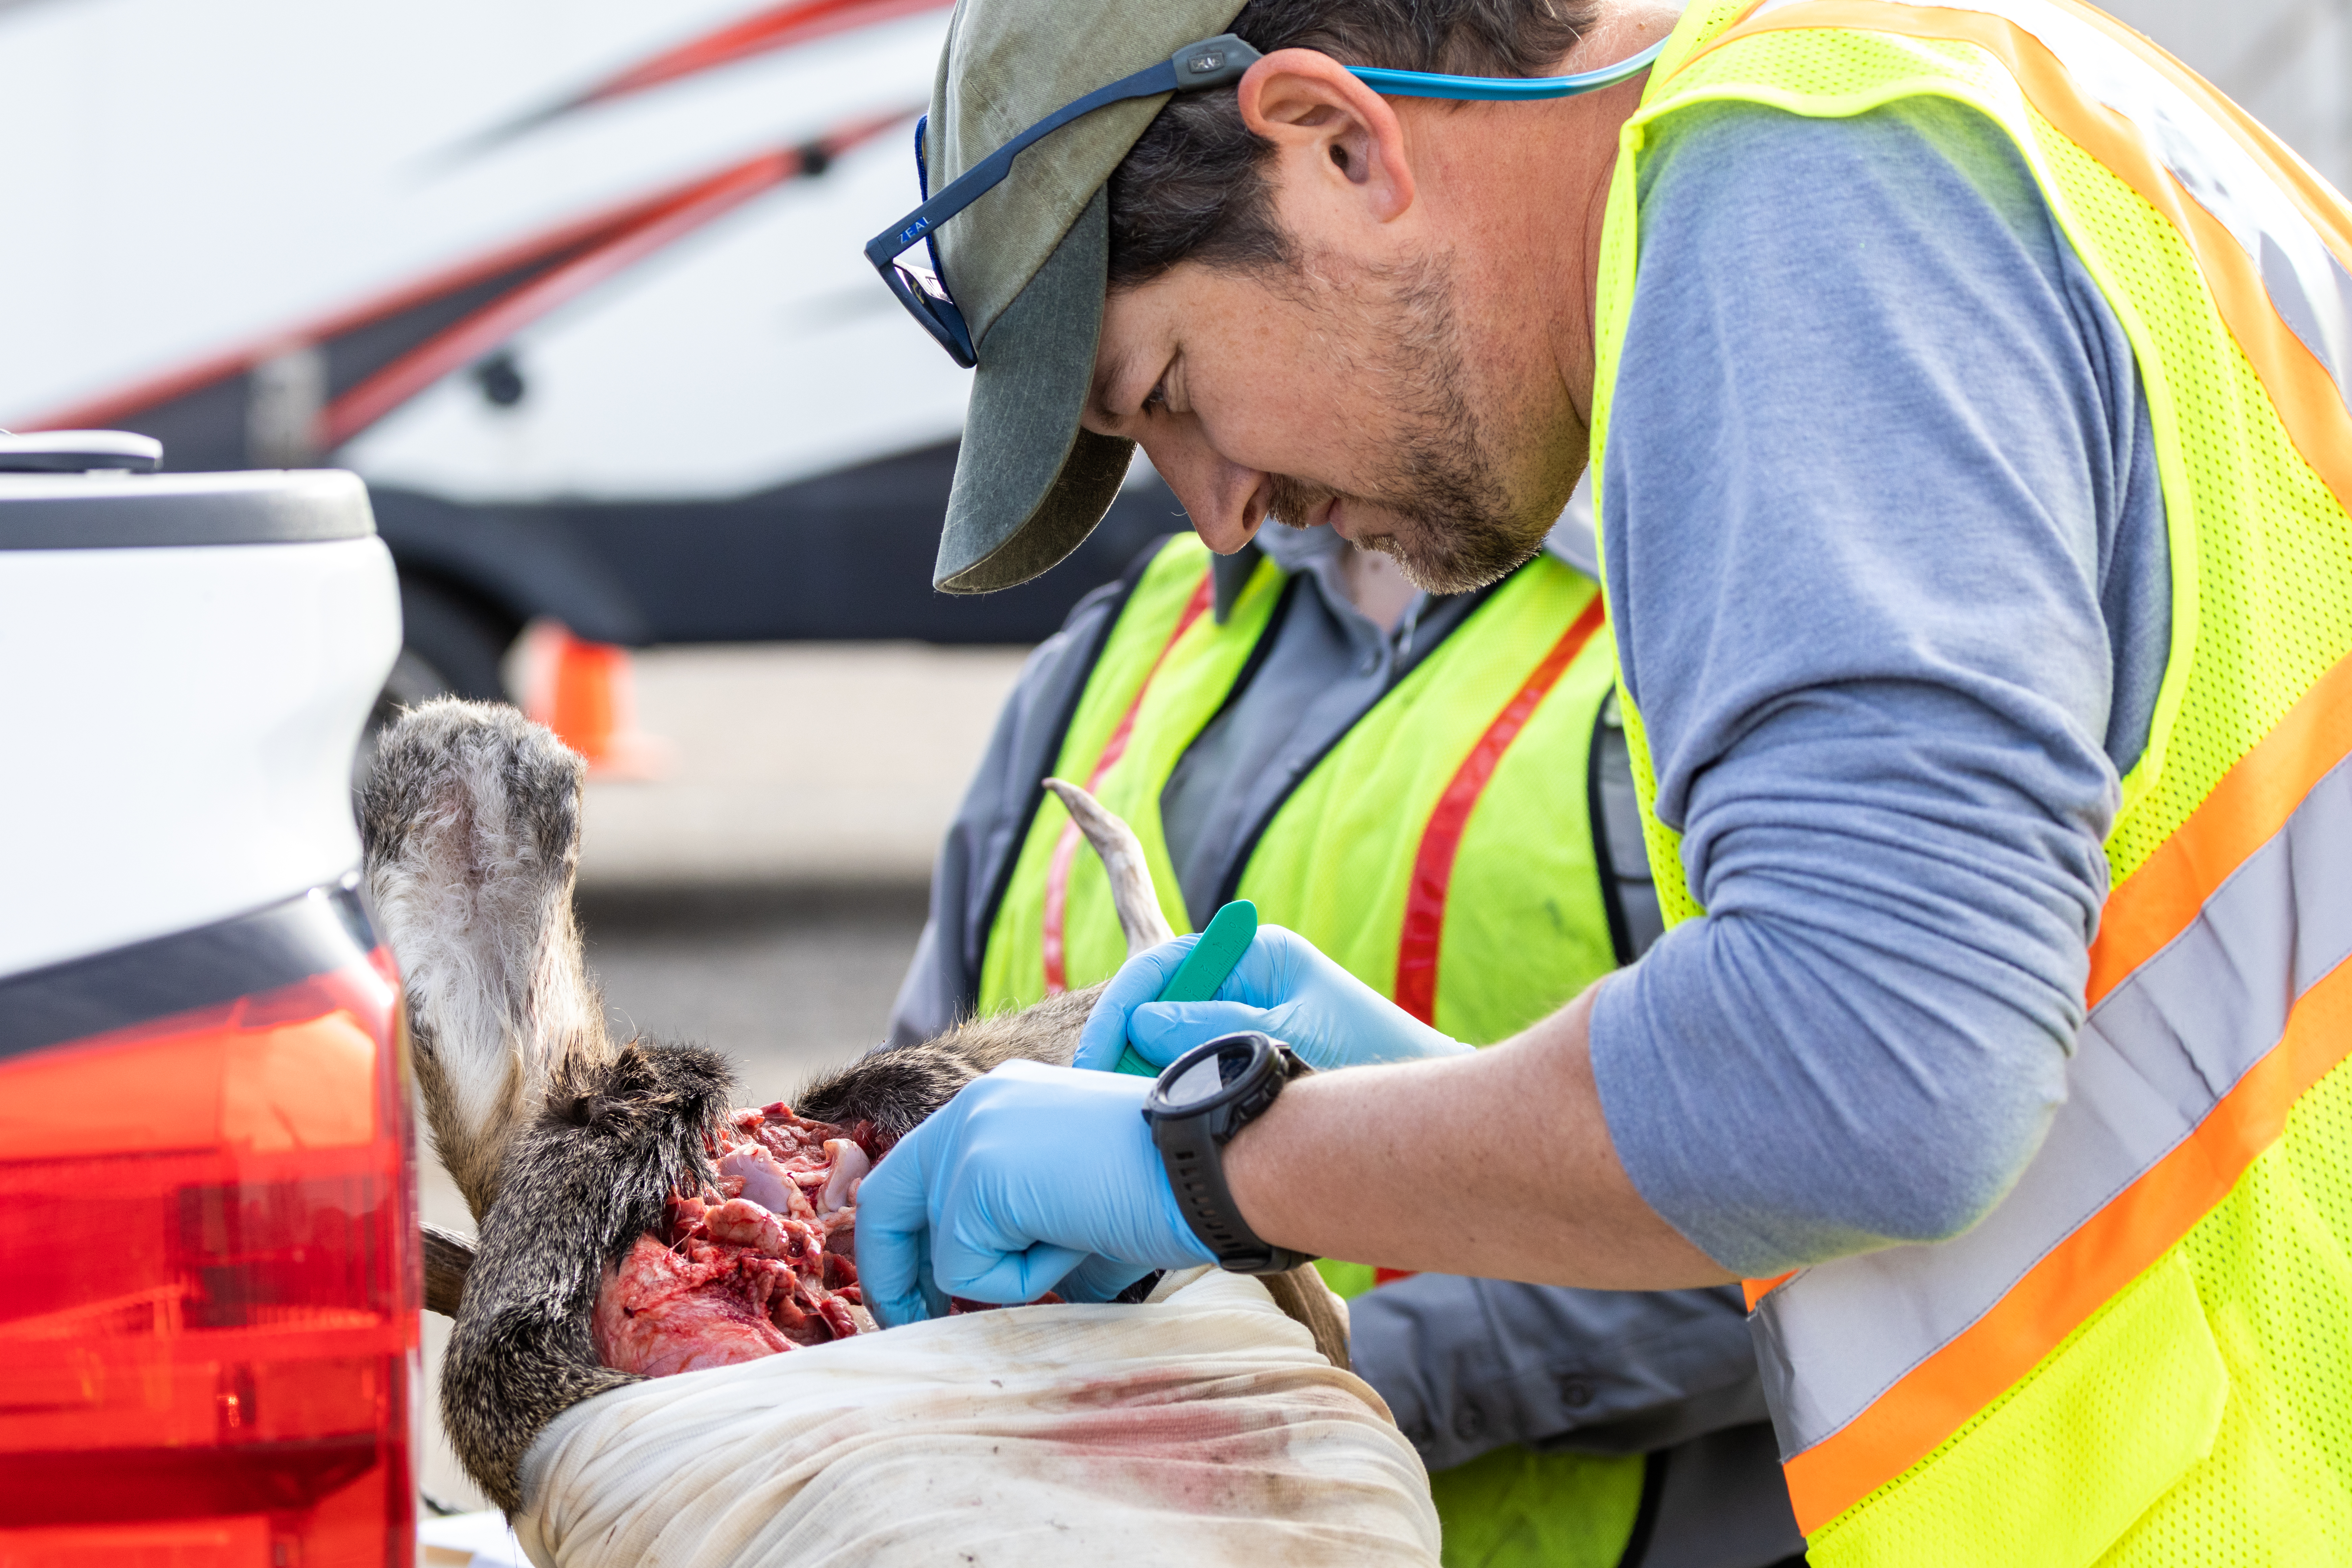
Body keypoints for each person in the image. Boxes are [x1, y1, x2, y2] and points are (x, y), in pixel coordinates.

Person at [855, 0, 2352, 1560]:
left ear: (1340, 143)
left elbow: (1883, 1071)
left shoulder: (1796, 178)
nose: (1221, 515)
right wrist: (1417, 1095)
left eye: (1166, 390)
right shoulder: (1944, 96)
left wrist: (1215, 1166)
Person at [889, 487, 1802, 1566]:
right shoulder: (1114, 650)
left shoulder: (1710, 636)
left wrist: (1324, 1376)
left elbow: (1838, 1178)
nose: (1212, 507)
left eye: (1168, 380)